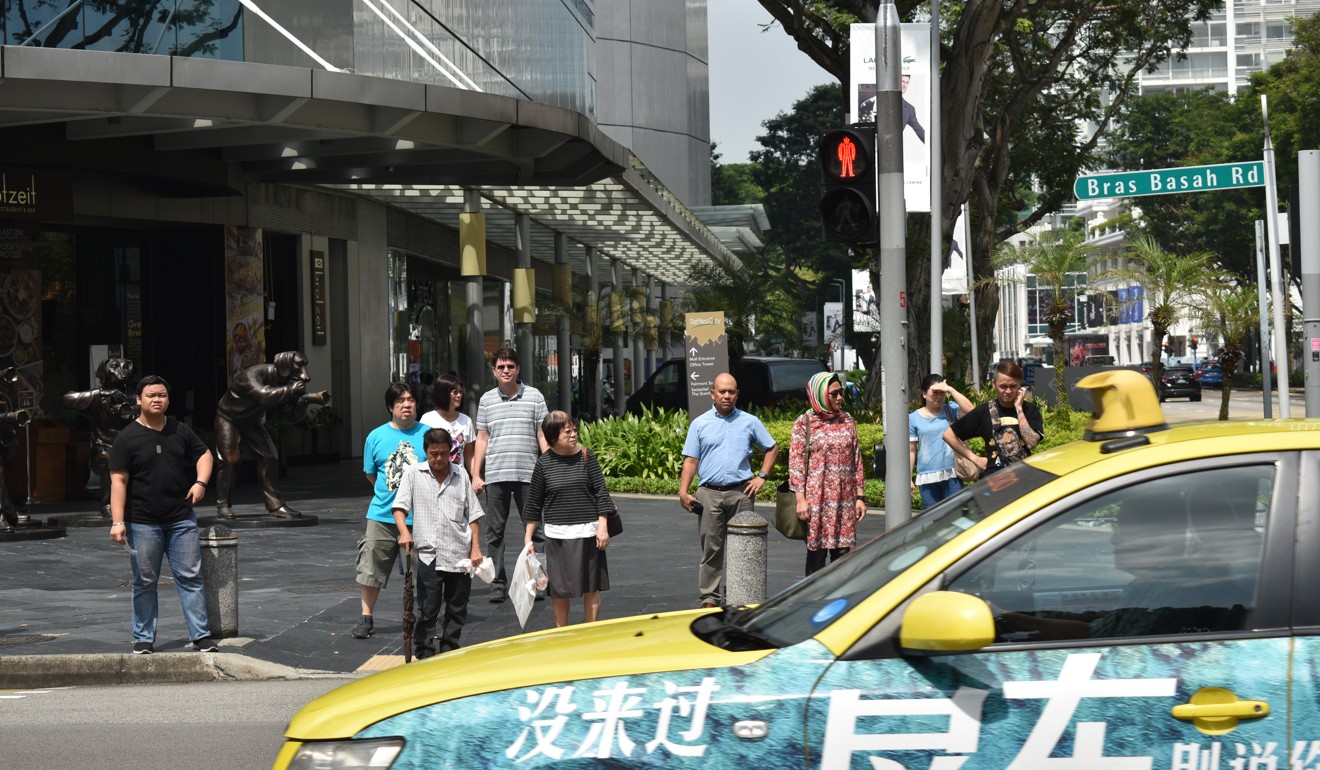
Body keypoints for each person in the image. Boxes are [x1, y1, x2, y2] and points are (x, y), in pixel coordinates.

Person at [108, 375, 217, 654]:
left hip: (181, 519)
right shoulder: (127, 437)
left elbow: (205, 455)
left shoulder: (179, 430)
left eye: (162, 395)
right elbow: (118, 482)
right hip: (143, 522)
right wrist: (118, 522)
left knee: (191, 577)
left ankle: (200, 635)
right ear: (138, 400)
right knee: (145, 582)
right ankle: (143, 638)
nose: (157, 399)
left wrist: (200, 483)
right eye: (151, 395)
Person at [678, 372, 778, 607]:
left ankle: (739, 596)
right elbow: (691, 461)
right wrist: (683, 491)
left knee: (742, 549)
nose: (726, 395)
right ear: (712, 393)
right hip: (708, 495)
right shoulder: (700, 424)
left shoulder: (750, 422)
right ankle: (709, 599)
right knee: (711, 549)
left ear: (737, 394)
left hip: (741, 494)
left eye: (731, 391)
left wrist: (762, 476)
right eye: (722, 391)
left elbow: (772, 448)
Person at [392, 428, 484, 658]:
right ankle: (424, 651)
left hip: (459, 554)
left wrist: (476, 548)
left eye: (443, 453)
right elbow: (399, 508)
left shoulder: (460, 474)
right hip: (429, 554)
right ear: (426, 452)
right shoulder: (414, 473)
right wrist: (404, 533)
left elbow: (473, 515)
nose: (439, 459)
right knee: (428, 607)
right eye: (434, 454)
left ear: (450, 452)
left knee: (457, 606)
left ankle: (450, 649)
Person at [471, 348, 549, 604]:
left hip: (530, 474)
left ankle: (536, 580)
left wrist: (549, 466)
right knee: (495, 532)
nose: (506, 370)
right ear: (494, 371)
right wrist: (475, 474)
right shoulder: (486, 400)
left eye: (510, 366)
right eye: (501, 367)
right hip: (496, 475)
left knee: (535, 531)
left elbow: (542, 434)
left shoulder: (535, 396)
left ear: (518, 369)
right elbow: (482, 438)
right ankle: (498, 582)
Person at [522, 411, 614, 626]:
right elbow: (534, 503)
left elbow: (601, 492)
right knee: (559, 589)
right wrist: (528, 539)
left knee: (592, 586)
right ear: (553, 436)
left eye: (574, 430)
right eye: (567, 431)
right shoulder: (544, 464)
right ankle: (561, 631)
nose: (573, 435)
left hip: (589, 533)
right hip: (558, 536)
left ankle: (591, 629)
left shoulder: (586, 455)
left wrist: (603, 526)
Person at [352, 382, 428, 639]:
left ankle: (426, 617)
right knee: (370, 567)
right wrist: (391, 496)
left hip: (421, 516)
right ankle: (366, 617)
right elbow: (371, 475)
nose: (406, 405)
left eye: (410, 400)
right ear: (390, 407)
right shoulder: (375, 436)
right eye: (400, 401)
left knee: (423, 571)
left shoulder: (429, 433)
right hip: (382, 515)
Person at [788, 373, 867, 576]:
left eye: (841, 392)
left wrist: (860, 496)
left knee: (843, 555)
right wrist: (800, 499)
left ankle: (840, 601)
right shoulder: (804, 423)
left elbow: (856, 458)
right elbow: (796, 464)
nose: (839, 397)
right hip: (817, 500)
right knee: (817, 554)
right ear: (820, 394)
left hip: (844, 500)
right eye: (834, 394)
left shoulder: (847, 420)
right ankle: (814, 601)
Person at [943, 360, 1043, 476]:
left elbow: (1031, 443)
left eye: (1013, 386)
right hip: (995, 479)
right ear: (994, 384)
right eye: (1003, 386)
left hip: (1024, 476)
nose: (1008, 391)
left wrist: (1019, 408)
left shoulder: (1029, 410)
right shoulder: (985, 411)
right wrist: (976, 459)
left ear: (1020, 385)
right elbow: (948, 435)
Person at [909, 374, 975, 508]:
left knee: (955, 517)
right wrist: (909, 477)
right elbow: (911, 451)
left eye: (942, 393)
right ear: (924, 394)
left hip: (952, 473)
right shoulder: (913, 418)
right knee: (931, 520)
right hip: (927, 476)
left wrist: (950, 389)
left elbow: (971, 411)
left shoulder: (950, 409)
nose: (939, 396)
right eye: (934, 392)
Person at [420, 373, 476, 476]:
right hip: (432, 478)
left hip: (458, 479)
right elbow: (422, 453)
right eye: (455, 392)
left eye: (460, 392)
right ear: (443, 393)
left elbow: (469, 456)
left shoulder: (466, 420)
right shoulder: (427, 419)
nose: (459, 395)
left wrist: (476, 477)